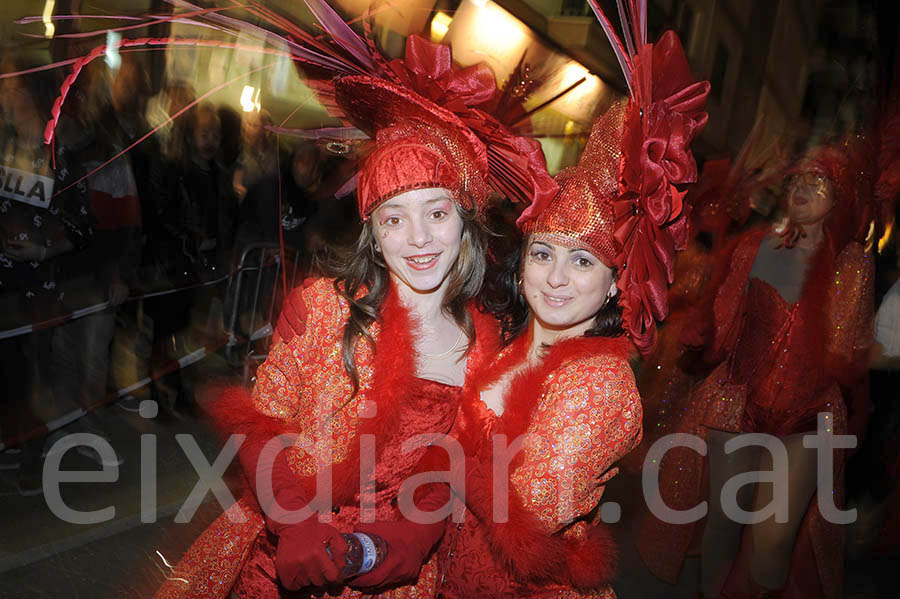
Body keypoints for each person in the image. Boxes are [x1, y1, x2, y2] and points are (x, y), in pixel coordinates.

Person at [153, 33, 555, 599]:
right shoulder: (325, 308)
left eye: (436, 213)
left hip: (386, 574)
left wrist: (384, 550)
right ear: (373, 232)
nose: (418, 239)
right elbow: (261, 426)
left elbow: (440, 487)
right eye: (394, 219)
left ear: (465, 221)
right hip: (279, 559)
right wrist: (294, 521)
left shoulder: (485, 352)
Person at [434, 18, 710, 599]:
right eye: (543, 253)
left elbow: (526, 515)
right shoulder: (503, 343)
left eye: (583, 262)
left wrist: (432, 447)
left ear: (615, 283)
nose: (555, 278)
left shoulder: (601, 386)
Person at [639, 145, 874, 599]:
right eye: (798, 179)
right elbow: (722, 324)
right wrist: (701, 334)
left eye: (819, 181)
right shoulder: (751, 246)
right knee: (724, 524)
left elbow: (849, 350)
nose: (804, 187)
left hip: (807, 418)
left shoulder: (852, 264)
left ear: (839, 198)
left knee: (773, 539)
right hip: (739, 403)